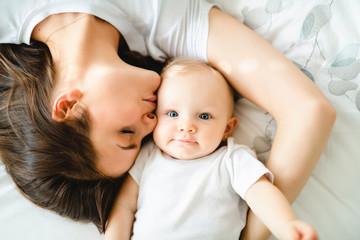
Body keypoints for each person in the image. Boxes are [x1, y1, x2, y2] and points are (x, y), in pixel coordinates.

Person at [0, 0, 336, 238]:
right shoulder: (167, 20)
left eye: (126, 131)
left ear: (68, 105)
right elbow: (308, 110)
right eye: (140, 139)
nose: (151, 124)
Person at [104, 58, 318, 240]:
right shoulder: (147, 156)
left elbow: (261, 194)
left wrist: (286, 224)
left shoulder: (231, 160)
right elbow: (124, 207)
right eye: (172, 113)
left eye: (204, 116)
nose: (186, 126)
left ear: (227, 128)